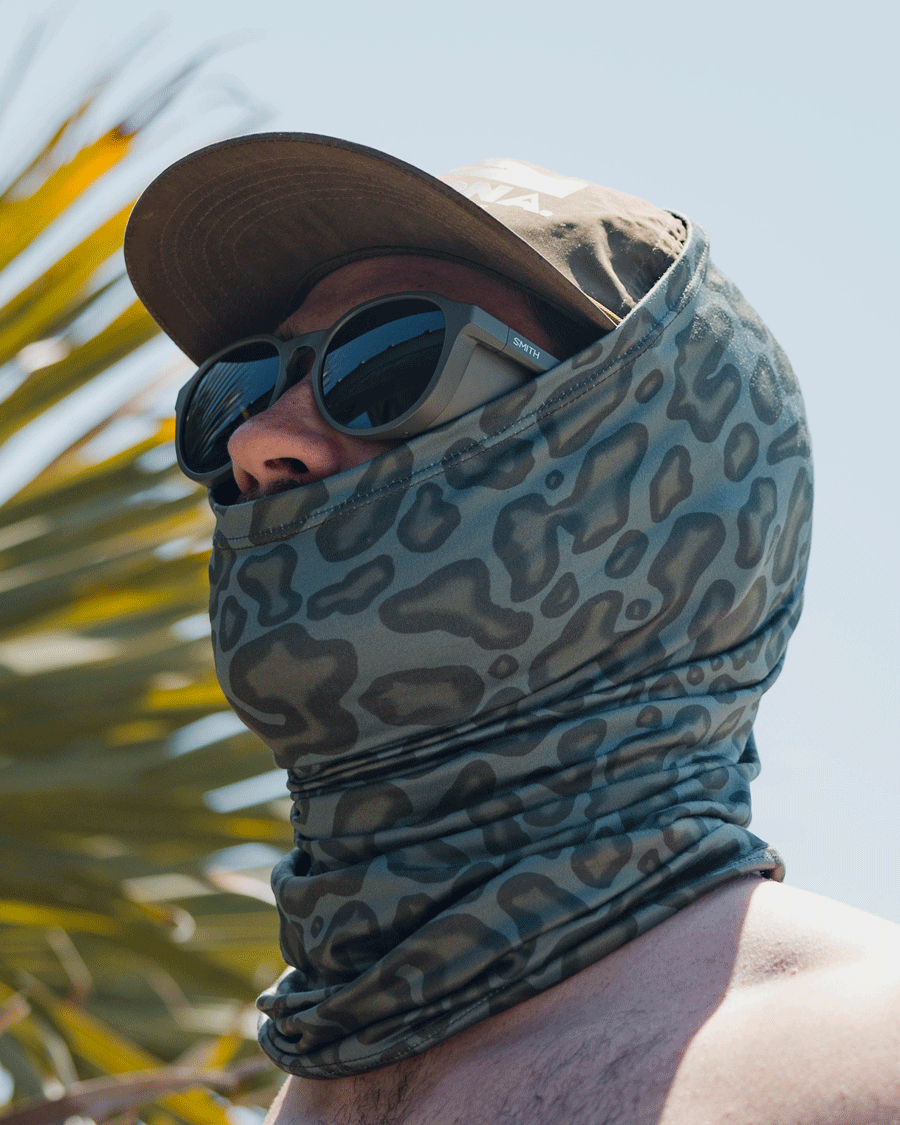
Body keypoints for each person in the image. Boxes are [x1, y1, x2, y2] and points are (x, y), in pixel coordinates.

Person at [125, 135, 900, 1125]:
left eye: (390, 357)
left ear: (645, 485)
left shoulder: (865, 1059)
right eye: (239, 385)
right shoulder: (310, 1085)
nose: (254, 438)